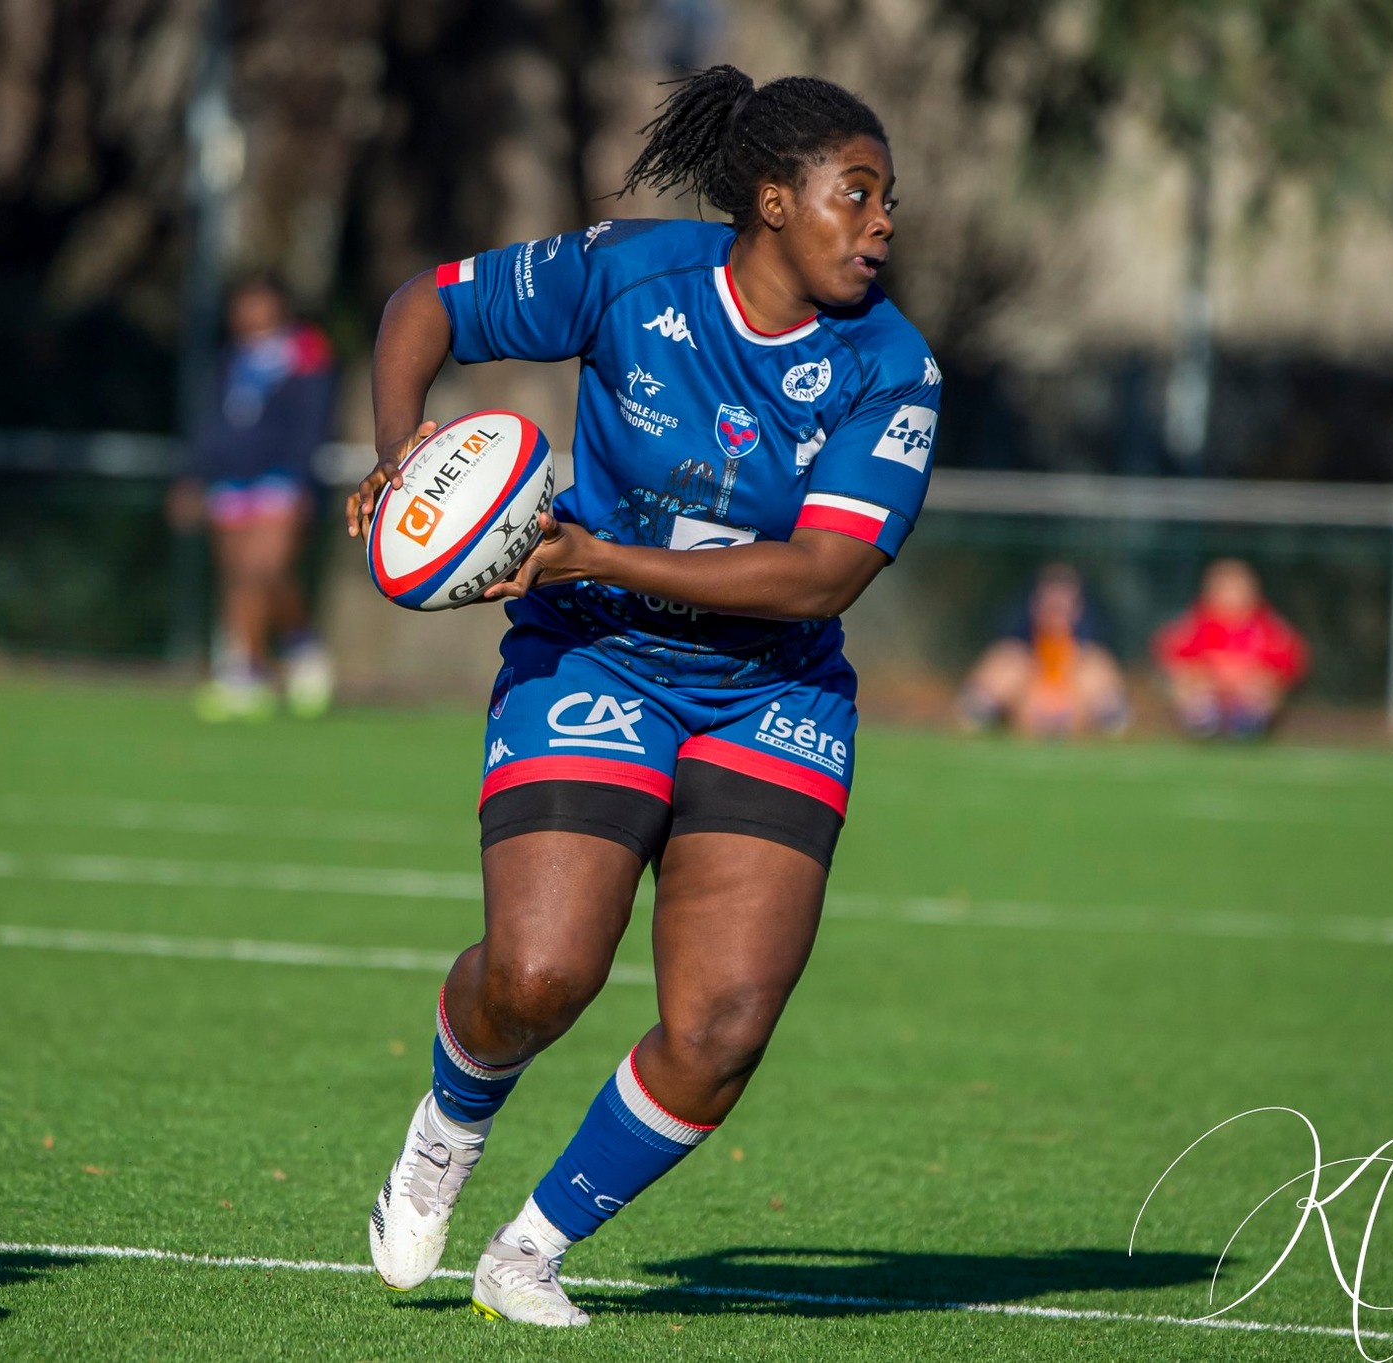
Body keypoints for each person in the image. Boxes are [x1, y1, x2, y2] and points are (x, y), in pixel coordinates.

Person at [346, 67, 935, 1327]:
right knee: (538, 975)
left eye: (887, 199)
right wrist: (404, 462)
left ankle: (529, 1249)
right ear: (771, 201)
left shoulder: (893, 365)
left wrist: (595, 551)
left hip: (769, 689)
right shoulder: (630, 273)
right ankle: (449, 1120)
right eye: (857, 194)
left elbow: (819, 576)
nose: (883, 222)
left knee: (722, 1026)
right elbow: (423, 304)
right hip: (596, 653)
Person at [167, 274, 336, 722]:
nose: (247, 313)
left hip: (281, 479)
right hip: (231, 481)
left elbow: (313, 421)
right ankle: (247, 671)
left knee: (270, 569)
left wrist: (302, 480)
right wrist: (193, 476)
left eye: (257, 303)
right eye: (242, 304)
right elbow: (211, 422)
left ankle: (301, 644)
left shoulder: (306, 353)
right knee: (239, 577)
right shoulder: (231, 359)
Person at [958, 562, 1128, 736]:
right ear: (1035, 605)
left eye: (1062, 607)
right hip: (1023, 717)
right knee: (1007, 663)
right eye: (1051, 606)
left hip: (1075, 719)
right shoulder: (1013, 656)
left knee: (1095, 667)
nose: (1056, 615)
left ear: (1078, 609)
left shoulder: (1092, 660)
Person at [1154, 558, 1306, 738]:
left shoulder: (1270, 627)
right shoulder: (1194, 623)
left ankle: (1248, 722)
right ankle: (1204, 720)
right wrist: (1207, 676)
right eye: (1224, 588)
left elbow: (1288, 664)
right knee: (1187, 681)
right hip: (1210, 691)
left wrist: (1249, 677)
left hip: (1247, 694)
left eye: (1237, 588)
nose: (1231, 595)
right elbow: (1173, 656)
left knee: (1262, 685)